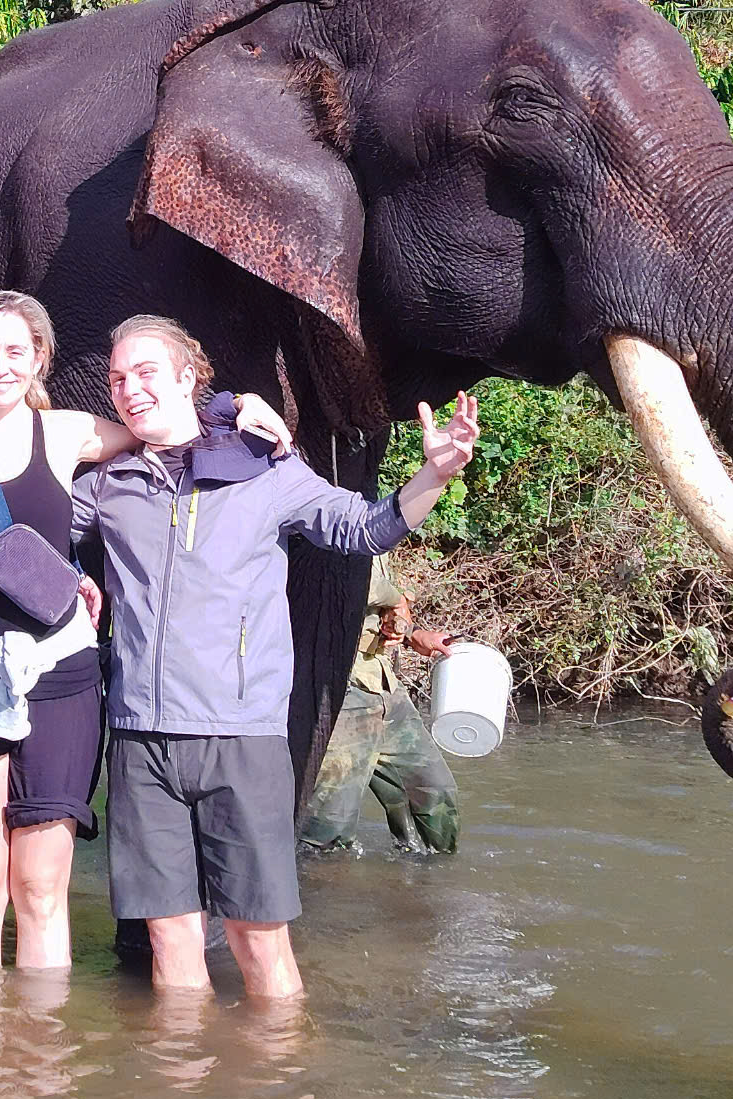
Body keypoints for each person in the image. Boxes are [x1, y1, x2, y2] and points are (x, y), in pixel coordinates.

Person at [0, 291, 292, 972]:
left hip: (59, 682)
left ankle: (41, 1069)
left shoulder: (66, 432)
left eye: (16, 351)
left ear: (39, 358)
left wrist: (233, 403)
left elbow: (165, 425)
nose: (0, 365)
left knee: (39, 892)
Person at [69, 314, 479, 1000]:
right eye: (116, 377)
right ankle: (182, 1090)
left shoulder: (268, 471)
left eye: (145, 373)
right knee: (170, 936)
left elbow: (364, 527)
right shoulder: (109, 486)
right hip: (141, 740)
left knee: (255, 935)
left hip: (243, 736)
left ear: (188, 379)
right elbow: (25, 519)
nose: (128, 388)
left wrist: (432, 473)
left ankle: (280, 1094)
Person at [297, 555, 461, 855]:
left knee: (435, 793)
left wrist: (409, 633)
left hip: (385, 686)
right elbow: (352, 581)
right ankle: (312, 895)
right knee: (328, 830)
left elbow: (382, 603)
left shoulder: (378, 520)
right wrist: (397, 599)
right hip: (338, 690)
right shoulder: (328, 515)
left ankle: (432, 889)